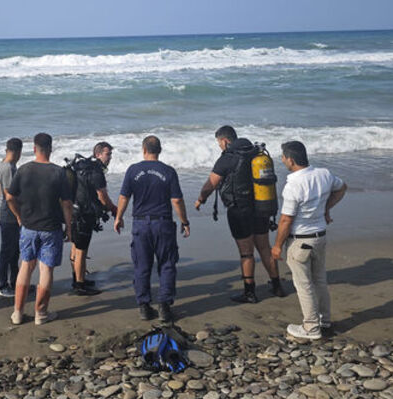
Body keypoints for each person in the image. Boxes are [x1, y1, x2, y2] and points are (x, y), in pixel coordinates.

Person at [193, 125, 287, 304]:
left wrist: (200, 199)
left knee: (246, 253)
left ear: (225, 141)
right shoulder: (255, 153)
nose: (220, 147)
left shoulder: (227, 158)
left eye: (219, 143)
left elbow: (211, 184)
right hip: (261, 207)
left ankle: (250, 293)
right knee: (264, 248)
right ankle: (277, 286)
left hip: (239, 211)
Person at [271, 140, 347, 340]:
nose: (282, 160)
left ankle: (311, 327)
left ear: (291, 159)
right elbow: (342, 188)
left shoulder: (293, 185)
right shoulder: (324, 174)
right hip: (319, 236)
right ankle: (324, 320)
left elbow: (286, 220)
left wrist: (277, 246)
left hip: (300, 241)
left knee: (303, 285)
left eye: (283, 157)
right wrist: (326, 208)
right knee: (320, 281)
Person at [113, 135, 190, 322]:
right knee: (166, 264)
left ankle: (144, 306)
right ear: (160, 150)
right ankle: (164, 306)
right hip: (163, 223)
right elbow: (177, 200)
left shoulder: (133, 170)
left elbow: (124, 197)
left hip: (140, 224)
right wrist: (185, 221)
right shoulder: (168, 171)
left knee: (142, 265)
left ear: (143, 149)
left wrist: (118, 217)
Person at [5, 133, 74, 325]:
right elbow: (67, 204)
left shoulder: (24, 170)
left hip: (28, 227)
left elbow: (9, 197)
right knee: (46, 269)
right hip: (51, 228)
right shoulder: (58, 172)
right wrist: (69, 227)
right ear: (50, 149)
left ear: (34, 149)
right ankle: (40, 314)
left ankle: (17, 313)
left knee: (26, 266)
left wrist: (19, 216)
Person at [69, 141, 118, 296]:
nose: (110, 157)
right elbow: (102, 196)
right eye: (107, 154)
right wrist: (114, 209)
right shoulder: (96, 172)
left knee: (76, 248)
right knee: (82, 251)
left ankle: (78, 277)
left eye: (110, 154)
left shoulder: (83, 167)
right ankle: (80, 285)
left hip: (74, 211)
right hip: (84, 215)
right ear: (98, 154)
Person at [0, 138, 23, 297]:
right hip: (8, 215)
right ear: (18, 152)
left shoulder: (2, 164)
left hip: (6, 211)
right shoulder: (9, 168)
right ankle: (3, 285)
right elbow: (11, 197)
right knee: (7, 251)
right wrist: (19, 215)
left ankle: (15, 282)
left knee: (14, 250)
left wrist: (2, 196)